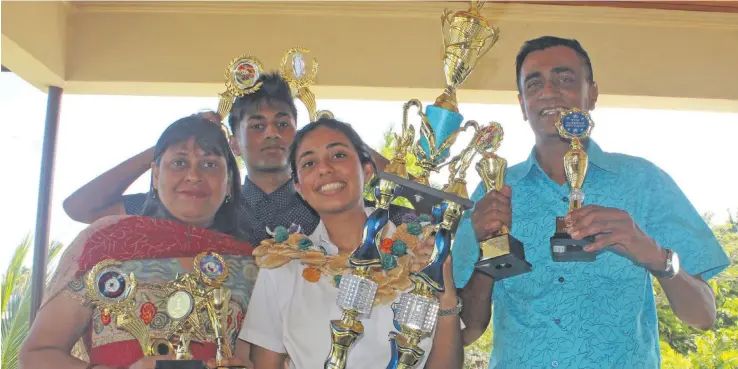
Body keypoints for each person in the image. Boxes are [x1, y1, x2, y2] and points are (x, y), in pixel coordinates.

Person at [452, 36, 731, 368]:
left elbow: (703, 316)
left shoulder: (644, 182)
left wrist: (653, 254)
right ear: (522, 104)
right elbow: (465, 332)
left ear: (592, 93)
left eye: (565, 79)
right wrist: (489, 254)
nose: (548, 91)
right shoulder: (492, 191)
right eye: (534, 83)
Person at [20, 115, 256, 369]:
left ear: (230, 180)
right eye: (179, 162)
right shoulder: (105, 242)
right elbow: (37, 355)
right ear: (155, 176)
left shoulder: (252, 264)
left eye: (209, 164)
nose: (193, 175)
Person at [61, 72, 402, 247]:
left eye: (283, 124)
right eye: (256, 125)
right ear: (234, 144)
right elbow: (81, 209)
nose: (271, 133)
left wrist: (335, 135)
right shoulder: (200, 203)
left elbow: (416, 202)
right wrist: (169, 145)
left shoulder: (331, 200)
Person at [236, 118, 464, 369]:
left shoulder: (420, 252)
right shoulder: (282, 267)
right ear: (298, 187)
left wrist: (447, 298)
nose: (324, 169)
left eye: (338, 155)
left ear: (367, 172)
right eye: (309, 163)